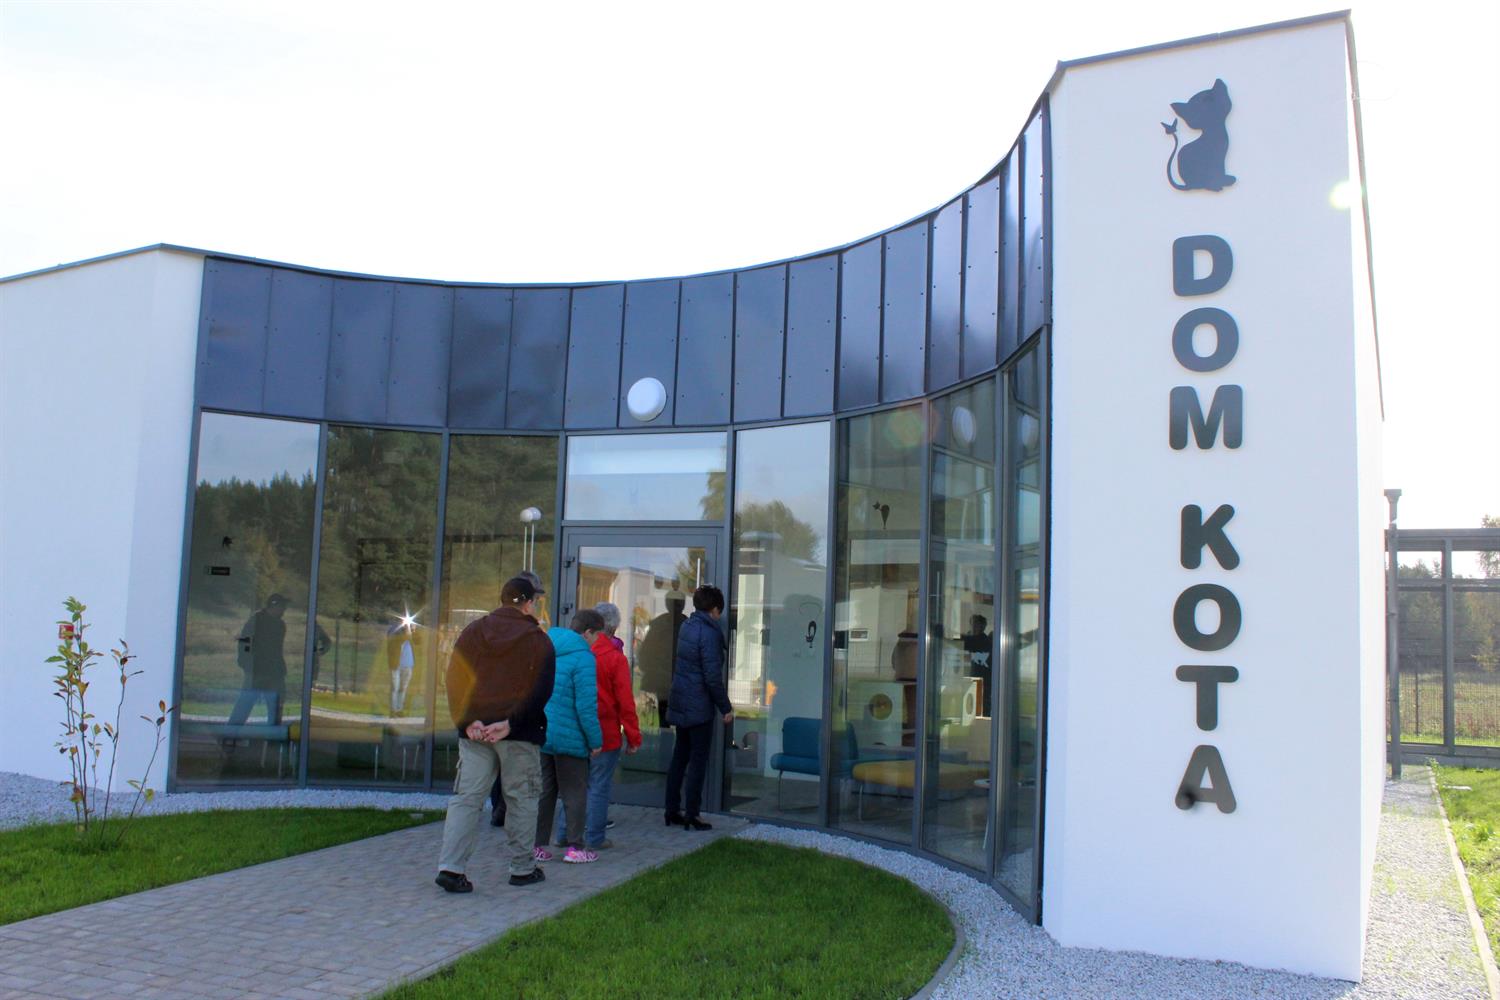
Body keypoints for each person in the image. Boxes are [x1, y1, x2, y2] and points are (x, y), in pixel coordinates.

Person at [435, 576, 555, 892]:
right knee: (522, 799)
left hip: (475, 733)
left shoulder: (473, 632)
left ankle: (451, 867)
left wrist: (467, 721)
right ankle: (522, 869)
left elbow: (454, 679)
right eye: (535, 601)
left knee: (466, 799)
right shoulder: (538, 641)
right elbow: (540, 692)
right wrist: (510, 724)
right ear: (528, 603)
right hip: (519, 734)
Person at [554, 602, 641, 849]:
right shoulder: (614, 658)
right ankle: (594, 837)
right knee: (599, 787)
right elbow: (625, 702)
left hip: (574, 729)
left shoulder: (568, 653)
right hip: (605, 732)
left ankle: (564, 833)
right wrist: (633, 736)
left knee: (574, 786)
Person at [534, 609, 605, 865]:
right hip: (571, 738)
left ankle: (536, 846)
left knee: (545, 791)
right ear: (588, 632)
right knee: (575, 793)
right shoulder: (583, 658)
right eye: (597, 636)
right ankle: (575, 847)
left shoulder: (549, 646)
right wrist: (595, 741)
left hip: (545, 731)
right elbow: (586, 706)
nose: (597, 641)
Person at [664, 585, 733, 831]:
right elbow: (712, 677)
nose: (719, 616)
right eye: (719, 611)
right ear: (714, 609)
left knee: (679, 757)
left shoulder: (687, 626)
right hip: (699, 705)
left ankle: (672, 810)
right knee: (697, 761)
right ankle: (692, 814)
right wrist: (725, 707)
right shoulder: (709, 633)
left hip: (681, 699)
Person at [489, 570, 547, 827]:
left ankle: (501, 808)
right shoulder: (528, 633)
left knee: (503, 762)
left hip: (501, 707)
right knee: (512, 764)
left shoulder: (493, 627)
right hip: (510, 709)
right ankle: (505, 810)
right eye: (535, 598)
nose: (537, 603)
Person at [228, 593, 290, 729]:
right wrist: (246, 663)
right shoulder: (257, 620)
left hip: (275, 672)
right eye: (282, 606)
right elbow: (245, 642)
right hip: (257, 671)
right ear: (274, 606)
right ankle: (230, 734)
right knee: (245, 704)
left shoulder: (280, 625)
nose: (284, 610)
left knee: (276, 707)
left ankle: (272, 737)